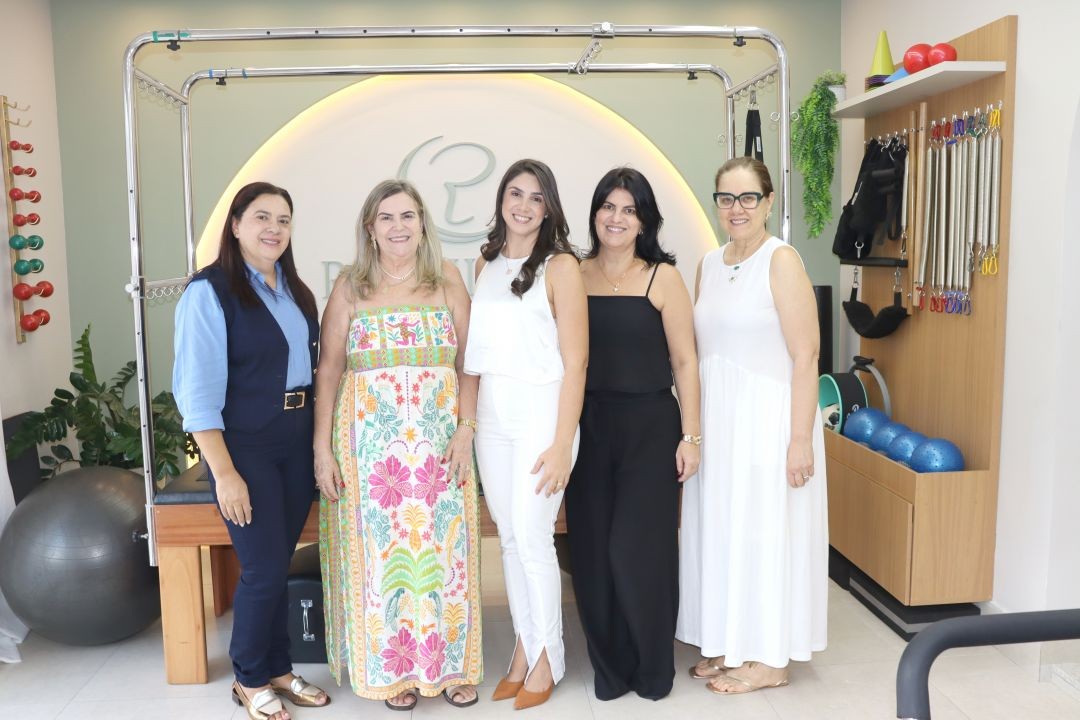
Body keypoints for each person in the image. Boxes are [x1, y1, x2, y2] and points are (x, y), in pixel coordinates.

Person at [313, 180, 482, 711]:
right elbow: (329, 370)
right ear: (370, 228)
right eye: (386, 217)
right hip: (371, 454)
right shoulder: (350, 286)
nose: (398, 227)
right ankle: (393, 672)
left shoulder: (447, 278)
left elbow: (470, 362)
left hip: (440, 449)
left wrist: (466, 429)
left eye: (408, 216)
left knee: (444, 555)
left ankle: (451, 667)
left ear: (422, 224)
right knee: (383, 561)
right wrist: (322, 449)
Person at [173, 181, 330, 720]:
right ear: (236, 225)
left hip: (295, 437)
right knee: (262, 567)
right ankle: (248, 676)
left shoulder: (295, 290)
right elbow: (197, 394)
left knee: (278, 562)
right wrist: (224, 473)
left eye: (283, 220)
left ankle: (280, 668)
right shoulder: (209, 292)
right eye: (262, 217)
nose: (274, 229)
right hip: (246, 445)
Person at [677, 156, 829, 694]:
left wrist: (799, 439)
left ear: (768, 202)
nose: (735, 209)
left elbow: (807, 356)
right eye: (726, 198)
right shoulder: (708, 263)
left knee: (765, 534)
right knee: (724, 531)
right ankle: (732, 640)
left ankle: (769, 660)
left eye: (747, 198)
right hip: (720, 422)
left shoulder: (780, 261)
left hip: (769, 421)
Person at [566, 167, 700, 701]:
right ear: (595, 213)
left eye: (629, 209)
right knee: (593, 553)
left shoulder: (662, 278)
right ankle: (611, 668)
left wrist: (692, 437)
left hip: (650, 427)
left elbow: (685, 363)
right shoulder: (572, 274)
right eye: (608, 206)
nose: (616, 218)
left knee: (637, 550)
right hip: (588, 428)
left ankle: (651, 667)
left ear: (645, 220)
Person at [463, 159, 588, 710]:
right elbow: (475, 355)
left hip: (542, 412)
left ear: (548, 208)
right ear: (501, 200)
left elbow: (577, 362)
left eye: (536, 197)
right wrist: (469, 424)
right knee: (510, 538)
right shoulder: (484, 263)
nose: (524, 205)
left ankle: (548, 658)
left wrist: (562, 442)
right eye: (515, 193)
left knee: (534, 536)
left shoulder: (561, 267)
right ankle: (523, 645)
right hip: (493, 416)